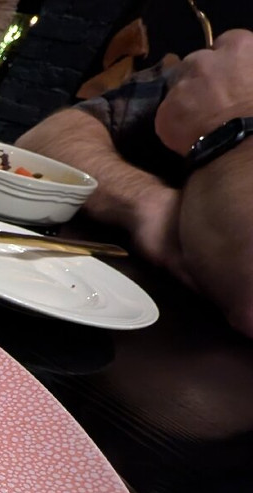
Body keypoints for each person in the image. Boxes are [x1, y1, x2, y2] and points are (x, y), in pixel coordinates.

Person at [14, 28, 253, 338]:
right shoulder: (220, 71)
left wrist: (232, 114)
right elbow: (44, 138)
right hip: (86, 318)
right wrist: (150, 205)